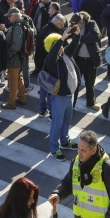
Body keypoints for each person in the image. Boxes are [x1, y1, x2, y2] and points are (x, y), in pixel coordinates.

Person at [48, 130, 110, 218]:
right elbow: (68, 182)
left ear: (93, 150)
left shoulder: (108, 169)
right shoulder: (76, 162)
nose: (79, 153)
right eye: (78, 149)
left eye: (83, 150)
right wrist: (58, 193)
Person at [43, 29, 81, 162]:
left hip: (69, 94)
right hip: (59, 96)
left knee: (67, 119)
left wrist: (76, 33)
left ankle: (64, 141)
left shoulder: (66, 53)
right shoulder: (51, 60)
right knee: (57, 123)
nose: (58, 48)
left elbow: (75, 43)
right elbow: (52, 53)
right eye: (55, 45)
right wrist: (61, 39)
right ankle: (54, 149)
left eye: (58, 45)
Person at [70, 12, 102, 110]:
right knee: (75, 83)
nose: (76, 26)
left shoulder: (91, 24)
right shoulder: (74, 26)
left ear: (82, 21)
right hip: (78, 59)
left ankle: (91, 102)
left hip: (90, 59)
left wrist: (80, 39)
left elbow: (96, 36)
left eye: (77, 24)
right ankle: (71, 105)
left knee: (90, 83)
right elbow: (70, 36)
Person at [4, 7, 28, 110]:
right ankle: (22, 98)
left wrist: (8, 54)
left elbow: (16, 45)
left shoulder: (17, 27)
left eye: (9, 16)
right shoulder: (20, 25)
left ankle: (11, 102)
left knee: (12, 80)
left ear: (14, 16)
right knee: (18, 78)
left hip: (15, 58)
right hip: (20, 57)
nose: (8, 18)